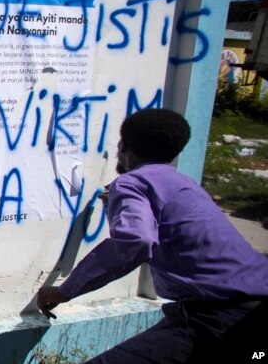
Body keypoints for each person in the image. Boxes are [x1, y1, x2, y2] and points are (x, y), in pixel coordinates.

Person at [37, 108, 268, 363]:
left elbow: (136, 240)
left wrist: (65, 291)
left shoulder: (131, 183)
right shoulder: (184, 183)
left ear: (125, 146)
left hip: (216, 316)